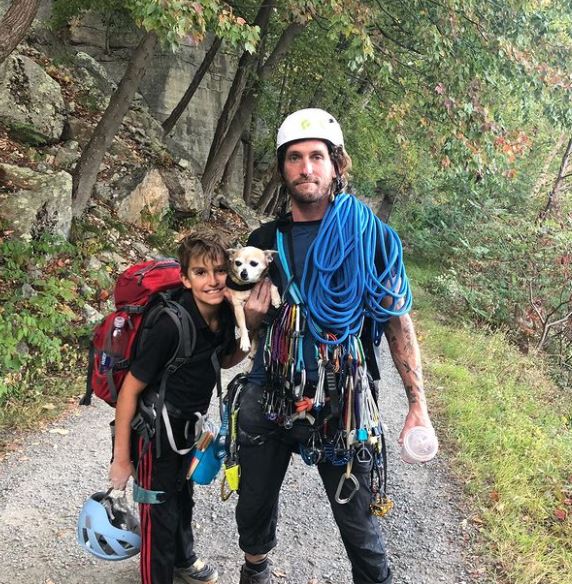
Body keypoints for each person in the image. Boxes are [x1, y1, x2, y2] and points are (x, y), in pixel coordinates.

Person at [234, 108, 435, 584]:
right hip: (271, 388)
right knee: (253, 507)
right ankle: (256, 570)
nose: (307, 168)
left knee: (359, 523)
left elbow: (396, 321)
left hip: (342, 394)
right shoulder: (263, 241)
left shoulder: (371, 237)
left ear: (336, 164)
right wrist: (254, 319)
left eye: (318, 157)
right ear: (283, 169)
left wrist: (417, 404)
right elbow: (241, 328)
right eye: (296, 158)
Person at [109, 233, 249, 584]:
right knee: (158, 509)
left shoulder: (225, 317)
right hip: (155, 435)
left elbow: (222, 359)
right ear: (185, 279)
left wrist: (247, 344)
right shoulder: (171, 324)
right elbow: (130, 391)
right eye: (200, 273)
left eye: (219, 270)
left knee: (183, 495)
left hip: (190, 429)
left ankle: (183, 560)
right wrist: (121, 459)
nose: (212, 280)